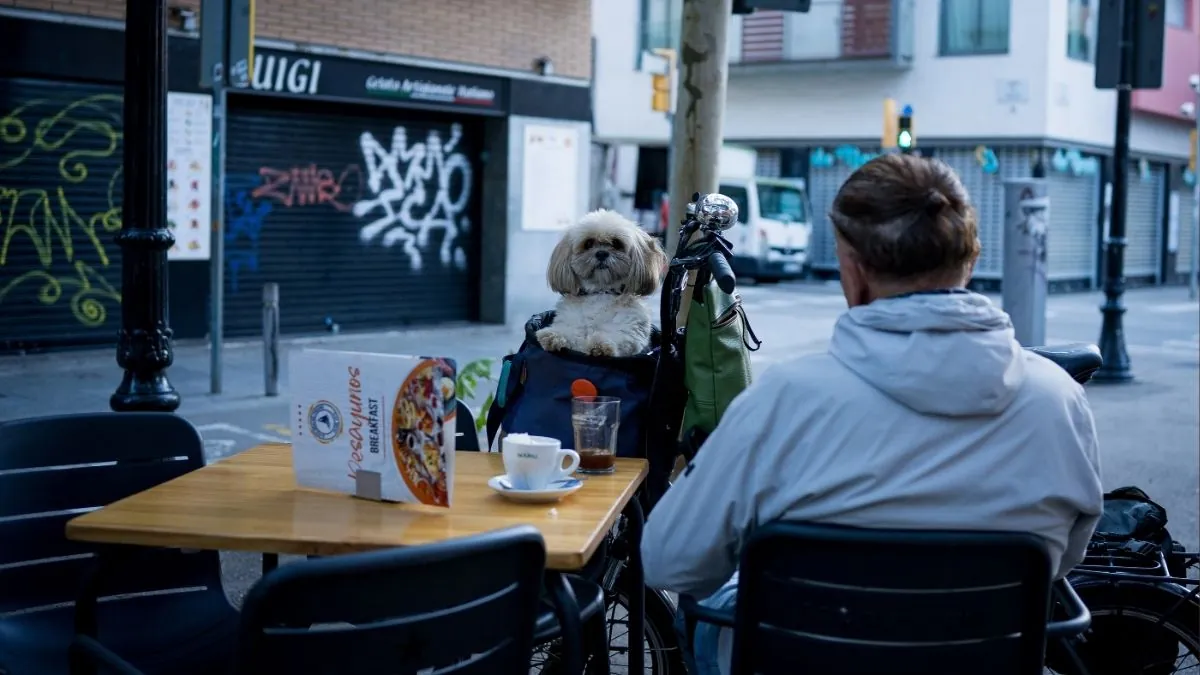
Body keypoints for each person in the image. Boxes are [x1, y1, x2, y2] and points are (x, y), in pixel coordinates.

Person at [640, 153, 1104, 675]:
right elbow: (1064, 556)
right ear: (970, 262)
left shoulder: (787, 400)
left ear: (853, 270)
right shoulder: (1057, 401)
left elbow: (669, 559)